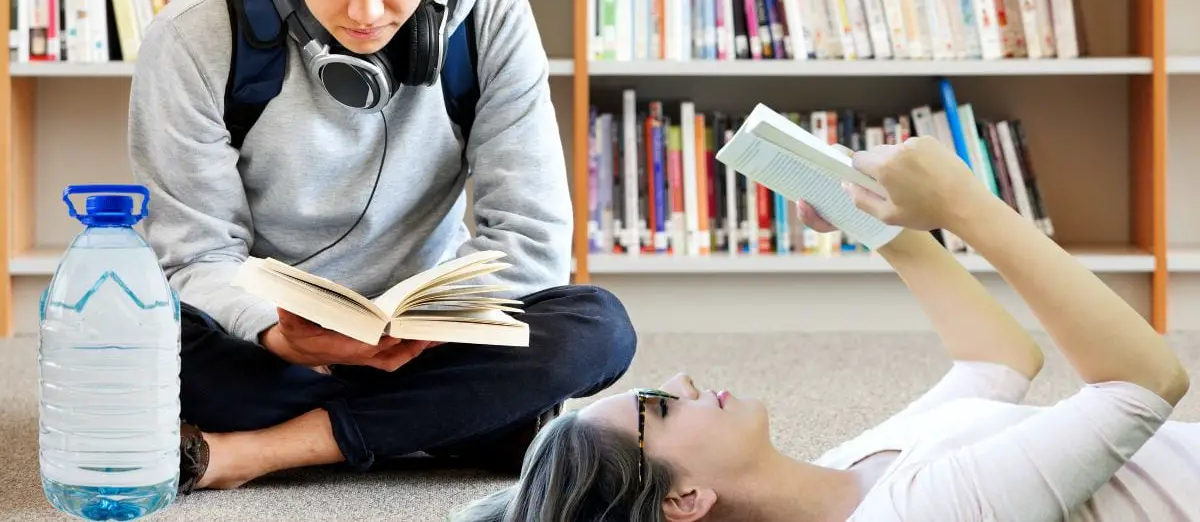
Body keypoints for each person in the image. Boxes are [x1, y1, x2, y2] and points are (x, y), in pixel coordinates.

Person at [126, 0, 637, 494]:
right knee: (142, 339)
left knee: (595, 327)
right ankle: (457, 420)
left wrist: (433, 328)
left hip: (434, 339)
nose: (365, 11)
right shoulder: (193, 35)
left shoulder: (493, 14)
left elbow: (530, 235)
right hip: (271, 345)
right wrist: (277, 333)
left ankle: (268, 449)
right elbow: (195, 254)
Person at [452, 134, 1197, 522]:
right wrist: (965, 203)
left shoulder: (842, 474)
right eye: (658, 406)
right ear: (683, 502)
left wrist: (876, 225)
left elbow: (998, 361)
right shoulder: (912, 516)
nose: (680, 381)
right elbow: (1144, 385)